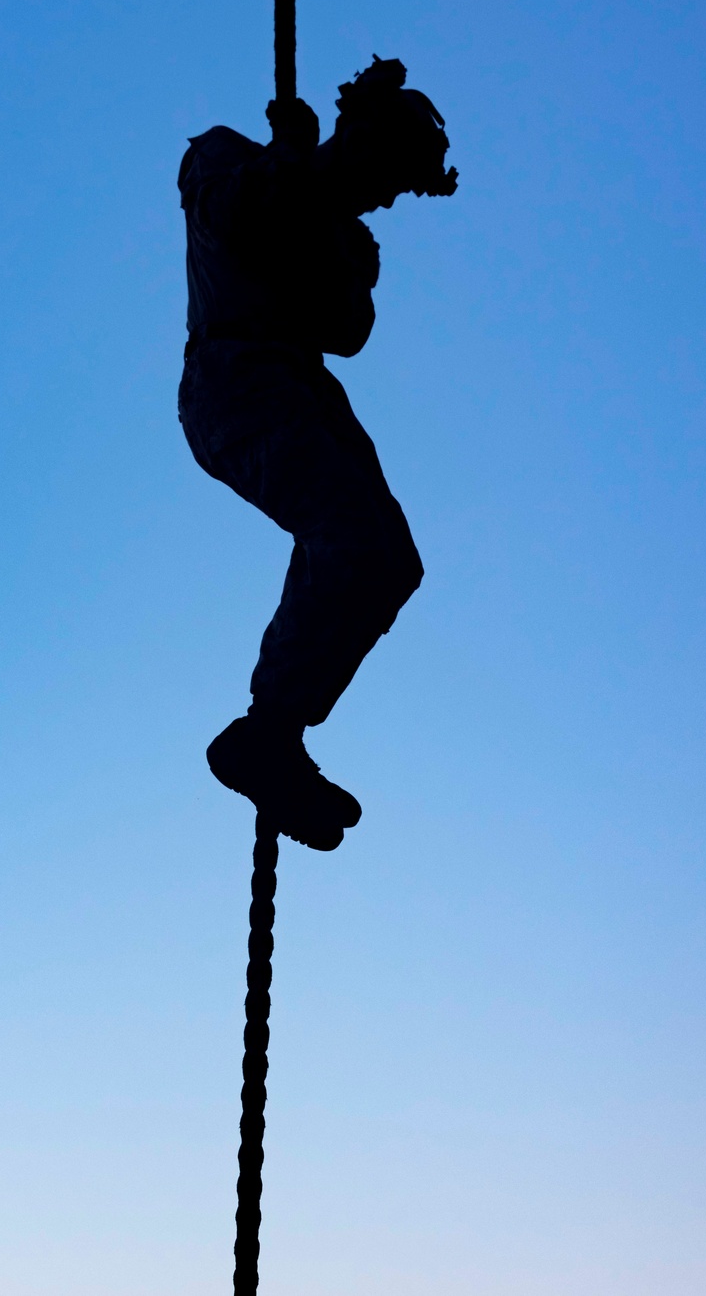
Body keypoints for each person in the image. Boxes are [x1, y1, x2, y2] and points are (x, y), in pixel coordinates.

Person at [178, 56, 457, 851]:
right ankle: (268, 730)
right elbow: (237, 215)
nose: (383, 193)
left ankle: (278, 731)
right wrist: (294, 160)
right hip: (236, 380)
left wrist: (347, 257)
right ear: (353, 130)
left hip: (300, 386)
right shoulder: (228, 153)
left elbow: (348, 331)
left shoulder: (338, 231)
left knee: (390, 560)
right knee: (352, 539)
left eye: (398, 187)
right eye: (383, 166)